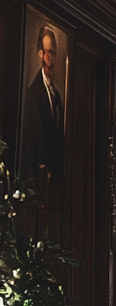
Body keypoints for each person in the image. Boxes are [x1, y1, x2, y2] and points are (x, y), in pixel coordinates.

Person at [21, 25, 64, 191]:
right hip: (38, 179)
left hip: (54, 179)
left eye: (53, 52)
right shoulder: (33, 93)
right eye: (47, 52)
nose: (50, 58)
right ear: (40, 54)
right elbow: (30, 140)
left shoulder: (56, 94)